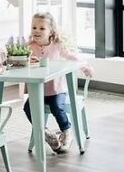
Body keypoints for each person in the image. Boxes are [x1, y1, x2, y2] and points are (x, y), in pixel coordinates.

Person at [24, 12, 93, 153]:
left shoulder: (56, 46)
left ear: (51, 31)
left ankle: (66, 131)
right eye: (34, 27)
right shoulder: (29, 47)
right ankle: (46, 133)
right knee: (27, 108)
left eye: (42, 28)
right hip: (37, 90)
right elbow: (19, 60)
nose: (37, 31)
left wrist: (85, 66)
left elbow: (70, 57)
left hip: (56, 88)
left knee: (57, 107)